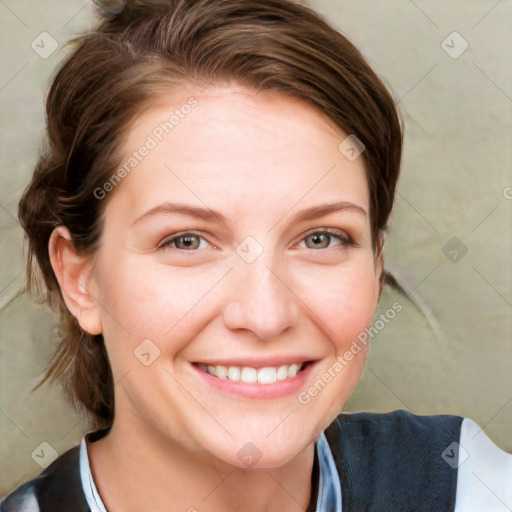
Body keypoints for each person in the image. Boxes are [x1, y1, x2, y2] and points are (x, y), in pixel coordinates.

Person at [2, 0, 510, 511]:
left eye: (321, 238)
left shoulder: (468, 486)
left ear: (376, 265)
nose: (265, 315)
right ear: (79, 278)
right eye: (187, 241)